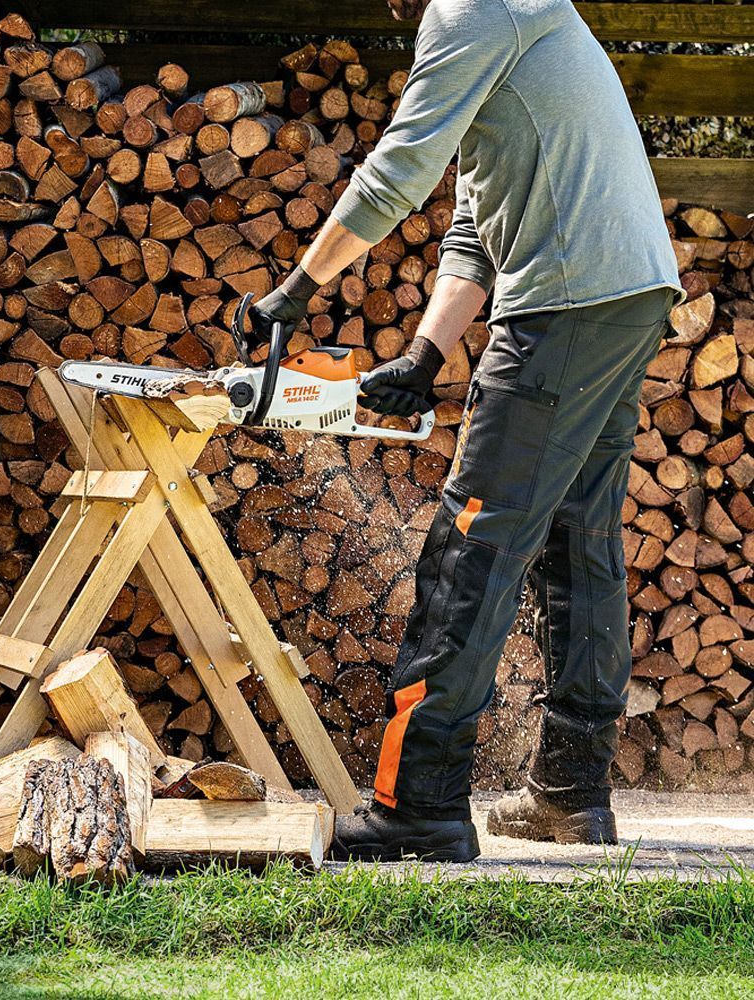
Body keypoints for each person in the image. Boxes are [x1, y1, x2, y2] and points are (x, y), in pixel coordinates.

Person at [245, 0, 685, 861]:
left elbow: (397, 173)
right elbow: (475, 221)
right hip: (626, 297)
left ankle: (421, 806)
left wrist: (296, 288)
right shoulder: (519, 14)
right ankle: (571, 793)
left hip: (563, 308)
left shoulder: (472, 8)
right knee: (576, 535)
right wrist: (424, 352)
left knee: (471, 543)